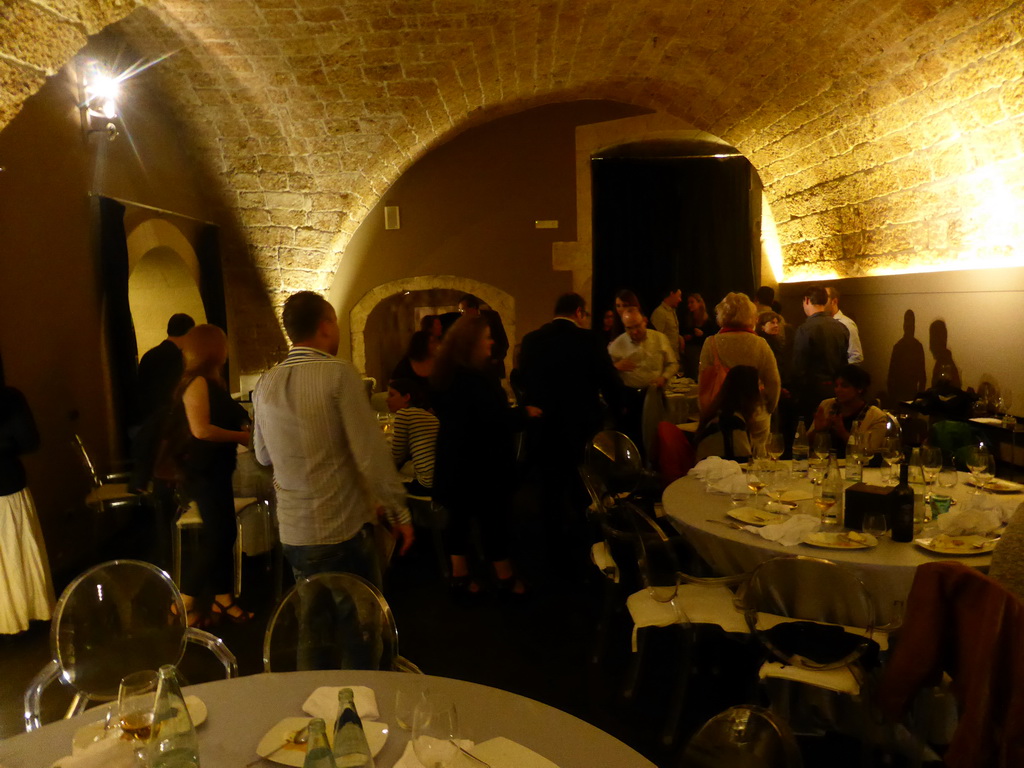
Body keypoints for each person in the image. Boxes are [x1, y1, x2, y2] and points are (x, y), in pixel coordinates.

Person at [254, 292, 413, 588]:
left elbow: (263, 455)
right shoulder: (339, 373)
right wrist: (399, 512)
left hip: (293, 531)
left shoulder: (266, 382)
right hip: (341, 528)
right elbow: (370, 454)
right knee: (360, 623)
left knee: (314, 621)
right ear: (325, 325)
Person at [430, 315, 541, 595]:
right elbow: (495, 419)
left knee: (458, 518)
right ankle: (505, 578)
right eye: (487, 337)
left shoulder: (444, 373)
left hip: (453, 458)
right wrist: (524, 414)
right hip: (482, 463)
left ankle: (460, 576)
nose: (492, 341)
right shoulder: (477, 378)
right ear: (472, 343)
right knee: (494, 519)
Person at [519, 293, 624, 549]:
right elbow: (608, 382)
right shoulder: (589, 340)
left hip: (544, 426)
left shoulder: (531, 341)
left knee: (550, 489)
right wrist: (620, 407)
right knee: (582, 487)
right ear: (579, 312)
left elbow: (524, 383)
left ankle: (551, 544)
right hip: (580, 426)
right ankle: (585, 544)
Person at [170, 324, 252, 626]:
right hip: (202, 471)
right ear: (213, 349)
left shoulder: (210, 381)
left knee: (223, 532)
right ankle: (182, 602)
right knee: (221, 534)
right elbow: (201, 429)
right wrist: (241, 437)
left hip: (214, 469)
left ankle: (223, 598)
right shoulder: (197, 382)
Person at [0, 351, 54, 634]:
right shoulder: (9, 398)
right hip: (6, 484)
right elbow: (30, 441)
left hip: (7, 484)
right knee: (15, 551)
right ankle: (19, 615)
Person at [699, 293, 780, 452]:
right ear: (751, 315)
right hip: (754, 411)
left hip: (721, 413)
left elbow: (704, 383)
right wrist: (768, 408)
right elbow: (773, 382)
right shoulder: (760, 344)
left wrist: (705, 412)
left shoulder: (711, 343)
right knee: (756, 463)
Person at [128, 313, 195, 493]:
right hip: (161, 427)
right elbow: (171, 396)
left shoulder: (151, 355)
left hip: (144, 425)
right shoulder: (175, 359)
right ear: (189, 334)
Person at [790, 284, 850, 424]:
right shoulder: (841, 328)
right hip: (835, 391)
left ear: (806, 300)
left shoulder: (805, 329)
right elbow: (844, 362)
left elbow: (798, 366)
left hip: (811, 393)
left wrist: (795, 394)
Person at [806, 364, 887, 457]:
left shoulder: (876, 416)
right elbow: (804, 444)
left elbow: (869, 452)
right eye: (836, 386)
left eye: (844, 386)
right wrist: (818, 430)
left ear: (859, 388)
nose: (838, 390)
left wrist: (843, 433)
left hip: (855, 467)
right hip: (822, 464)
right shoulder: (827, 405)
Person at [695, 365, 762, 463]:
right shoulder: (733, 424)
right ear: (749, 391)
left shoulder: (719, 413)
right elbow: (744, 465)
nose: (761, 389)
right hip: (716, 475)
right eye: (759, 385)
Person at [387, 378, 439, 497]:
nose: (387, 400)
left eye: (392, 395)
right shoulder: (427, 415)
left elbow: (396, 456)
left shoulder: (404, 414)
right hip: (440, 480)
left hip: (426, 484)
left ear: (406, 397)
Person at [458, 295, 510, 379]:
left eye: (463, 309)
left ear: (473, 308)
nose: (461, 313)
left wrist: (496, 358)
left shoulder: (492, 317)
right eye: (459, 310)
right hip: (475, 370)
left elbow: (503, 341)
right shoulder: (463, 323)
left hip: (493, 367)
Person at [681, 292, 717, 378]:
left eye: (692, 302)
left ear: (700, 303)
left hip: (702, 352)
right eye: (688, 303)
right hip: (689, 353)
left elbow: (713, 337)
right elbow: (682, 333)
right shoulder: (687, 318)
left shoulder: (708, 320)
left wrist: (702, 335)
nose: (689, 305)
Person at [391, 330, 437, 396]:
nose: (436, 345)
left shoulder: (438, 363)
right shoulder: (406, 364)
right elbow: (393, 384)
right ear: (422, 344)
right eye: (432, 342)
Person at [826, 286, 864, 364]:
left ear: (834, 301)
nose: (820, 302)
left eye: (824, 298)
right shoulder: (820, 323)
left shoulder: (847, 323)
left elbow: (856, 356)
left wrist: (841, 373)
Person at [650, 287, 684, 357]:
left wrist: (679, 338)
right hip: (666, 359)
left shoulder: (672, 311)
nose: (680, 300)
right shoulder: (660, 313)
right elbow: (655, 339)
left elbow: (670, 332)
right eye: (679, 296)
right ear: (672, 294)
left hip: (674, 357)